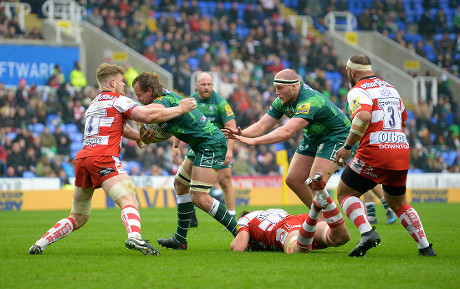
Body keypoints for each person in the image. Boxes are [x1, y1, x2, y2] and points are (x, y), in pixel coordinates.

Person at [28, 63, 197, 256]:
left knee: (78, 216)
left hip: (83, 158)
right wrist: (180, 108)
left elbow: (119, 127)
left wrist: (138, 138)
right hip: (103, 157)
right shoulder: (119, 100)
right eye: (122, 81)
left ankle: (41, 242)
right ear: (112, 81)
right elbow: (147, 116)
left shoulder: (93, 105)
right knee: (129, 201)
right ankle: (134, 237)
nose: (124, 85)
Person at [334, 54, 436, 257]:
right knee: (398, 202)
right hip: (400, 150)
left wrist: (347, 146)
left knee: (345, 193)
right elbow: (404, 119)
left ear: (352, 72)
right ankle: (425, 247)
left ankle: (367, 233)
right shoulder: (391, 88)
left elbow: (363, 115)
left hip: (375, 150)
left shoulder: (358, 90)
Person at [132, 72, 237, 250]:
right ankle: (180, 239)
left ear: (150, 91)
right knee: (180, 185)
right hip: (198, 144)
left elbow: (148, 116)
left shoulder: (163, 101)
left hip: (210, 143)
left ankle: (242, 232)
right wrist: (149, 139)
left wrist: (127, 112)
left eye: (138, 94)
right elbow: (170, 129)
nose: (137, 98)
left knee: (199, 196)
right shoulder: (163, 101)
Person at [224, 69, 351, 209]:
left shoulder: (309, 101)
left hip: (336, 135)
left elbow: (287, 131)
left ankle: (333, 223)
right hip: (313, 137)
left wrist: (256, 141)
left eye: (280, 88)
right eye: (275, 88)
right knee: (293, 180)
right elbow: (262, 125)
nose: (276, 92)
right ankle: (321, 216)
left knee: (317, 183)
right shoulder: (282, 100)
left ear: (294, 86)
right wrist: (241, 134)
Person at [231, 173, 350, 253]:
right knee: (340, 237)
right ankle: (323, 193)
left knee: (299, 249)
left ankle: (314, 210)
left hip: (284, 228)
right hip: (298, 220)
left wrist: (241, 239)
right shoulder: (269, 211)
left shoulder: (244, 220)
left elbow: (238, 247)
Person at [183, 72, 237, 228]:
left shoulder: (220, 102)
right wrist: (175, 147)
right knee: (186, 182)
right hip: (196, 147)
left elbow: (232, 127)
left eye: (209, 84)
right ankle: (191, 216)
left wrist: (229, 151)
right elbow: (181, 121)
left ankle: (231, 217)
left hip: (217, 148)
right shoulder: (190, 101)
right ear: (196, 85)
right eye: (203, 84)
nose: (206, 88)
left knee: (225, 181)